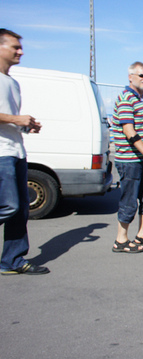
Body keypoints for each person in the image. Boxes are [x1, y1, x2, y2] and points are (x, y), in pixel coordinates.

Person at [0, 29, 49, 275]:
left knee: (20, 210)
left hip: (16, 151)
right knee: (8, 206)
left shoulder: (13, 83)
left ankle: (12, 261)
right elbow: (9, 117)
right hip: (1, 154)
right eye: (15, 47)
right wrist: (17, 118)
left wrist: (27, 126)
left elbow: (9, 120)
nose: (21, 51)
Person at [111, 61, 143, 253]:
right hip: (130, 161)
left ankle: (142, 234)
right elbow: (129, 131)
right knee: (129, 200)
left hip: (142, 162)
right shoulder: (126, 99)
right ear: (130, 77)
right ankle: (121, 240)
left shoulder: (137, 100)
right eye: (141, 75)